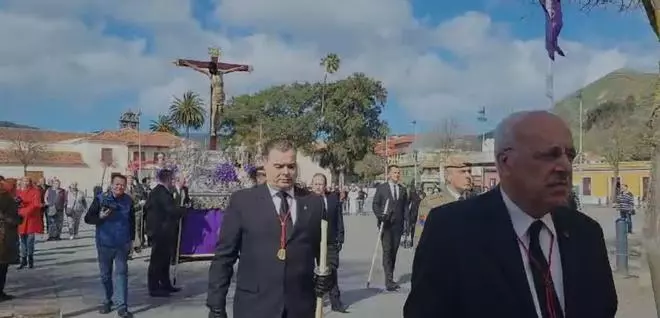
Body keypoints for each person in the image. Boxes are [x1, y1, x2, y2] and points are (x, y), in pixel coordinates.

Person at [404, 111, 617, 318]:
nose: (564, 167)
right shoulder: (450, 230)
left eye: (569, 155)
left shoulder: (587, 233)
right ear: (506, 162)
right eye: (549, 155)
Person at [207, 139, 336, 318]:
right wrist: (215, 305)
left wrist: (327, 272)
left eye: (291, 166)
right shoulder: (243, 202)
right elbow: (224, 257)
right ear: (265, 164)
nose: (285, 172)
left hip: (300, 306)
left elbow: (327, 246)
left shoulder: (313, 203)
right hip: (254, 306)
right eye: (279, 166)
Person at [85, 174, 135, 318]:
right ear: (111, 184)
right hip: (104, 243)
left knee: (121, 274)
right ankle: (107, 300)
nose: (119, 187)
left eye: (122, 185)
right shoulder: (100, 199)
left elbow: (132, 222)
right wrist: (100, 217)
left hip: (122, 244)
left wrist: (132, 241)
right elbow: (88, 218)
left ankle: (122, 306)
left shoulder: (128, 201)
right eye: (117, 184)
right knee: (105, 275)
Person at [413, 155, 472, 247]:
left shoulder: (474, 203)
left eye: (469, 171)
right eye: (462, 172)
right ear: (448, 176)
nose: (468, 176)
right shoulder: (431, 204)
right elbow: (420, 239)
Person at [310, 173, 347, 313]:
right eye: (316, 184)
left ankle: (336, 302)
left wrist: (340, 237)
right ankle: (313, 300)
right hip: (311, 242)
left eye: (321, 184)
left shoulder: (332, 199)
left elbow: (339, 220)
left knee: (331, 271)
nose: (319, 187)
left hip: (330, 241)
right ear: (312, 185)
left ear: (325, 186)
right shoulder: (306, 200)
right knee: (309, 271)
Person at [145, 169, 183, 297]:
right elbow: (171, 210)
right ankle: (154, 287)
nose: (174, 182)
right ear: (168, 179)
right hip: (160, 231)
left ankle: (165, 283)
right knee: (157, 260)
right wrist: (183, 210)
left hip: (164, 231)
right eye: (173, 179)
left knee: (165, 260)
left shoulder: (161, 192)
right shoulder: (161, 193)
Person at [371, 165, 408, 291]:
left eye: (398, 172)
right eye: (394, 172)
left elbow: (405, 208)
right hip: (385, 225)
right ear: (389, 174)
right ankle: (389, 280)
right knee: (387, 251)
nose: (397, 175)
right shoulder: (382, 188)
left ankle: (390, 276)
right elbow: (375, 204)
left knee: (394, 252)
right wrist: (380, 216)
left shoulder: (403, 190)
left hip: (397, 226)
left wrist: (406, 224)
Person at [0, 177, 21, 301]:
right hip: (3, 235)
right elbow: (4, 215)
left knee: (3, 266)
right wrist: (15, 220)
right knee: (2, 266)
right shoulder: (3, 196)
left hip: (6, 234)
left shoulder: (7, 196)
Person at [16, 177, 43, 270]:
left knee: (30, 240)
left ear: (30, 182)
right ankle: (23, 260)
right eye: (24, 181)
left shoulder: (35, 191)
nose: (25, 183)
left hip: (31, 218)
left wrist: (25, 210)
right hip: (22, 219)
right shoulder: (19, 192)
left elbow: (36, 204)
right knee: (22, 240)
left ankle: (30, 259)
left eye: (27, 181)